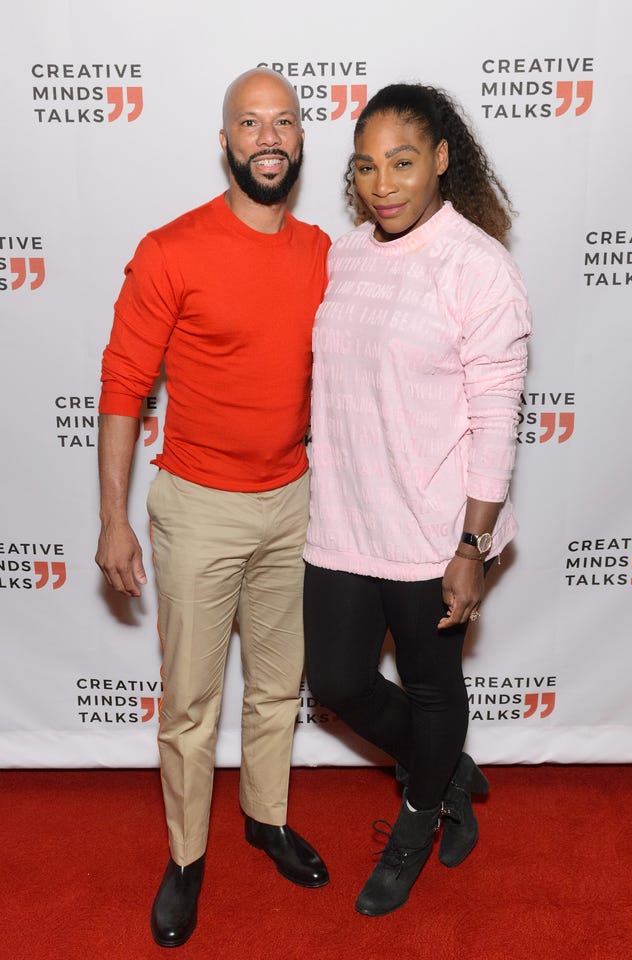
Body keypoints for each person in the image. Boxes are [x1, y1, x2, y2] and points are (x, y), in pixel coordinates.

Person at [95, 68, 331, 948]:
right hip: (197, 510)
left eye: (284, 122)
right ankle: (187, 858)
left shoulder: (324, 253)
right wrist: (113, 519)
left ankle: (265, 819)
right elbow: (123, 384)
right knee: (191, 703)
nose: (269, 137)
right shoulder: (171, 250)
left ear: (300, 139)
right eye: (250, 123)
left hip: (294, 502)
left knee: (278, 686)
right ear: (225, 141)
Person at [303, 82, 531, 917]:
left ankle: (419, 815)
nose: (383, 184)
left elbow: (496, 418)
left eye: (401, 163)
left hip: (437, 528)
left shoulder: (478, 266)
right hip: (344, 517)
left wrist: (471, 546)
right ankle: (446, 767)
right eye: (366, 167)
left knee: (433, 688)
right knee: (337, 681)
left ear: (439, 159)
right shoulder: (347, 254)